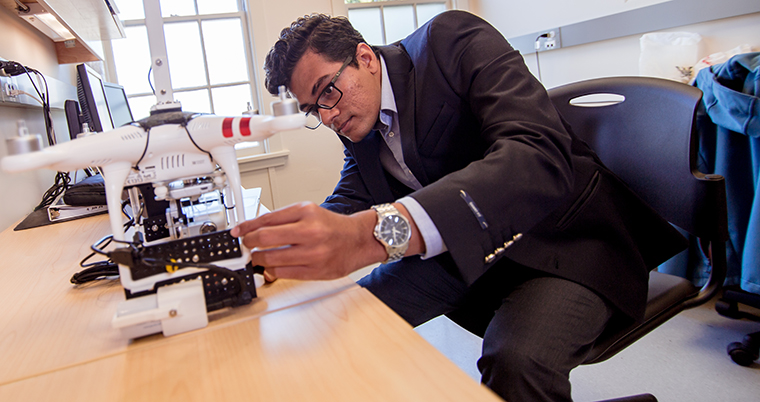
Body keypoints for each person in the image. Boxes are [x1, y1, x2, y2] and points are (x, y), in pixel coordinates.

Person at [230, 10, 687, 402]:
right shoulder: (357, 119)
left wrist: (375, 233)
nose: (327, 116)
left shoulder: (450, 41)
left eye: (327, 91)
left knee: (515, 362)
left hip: (566, 243)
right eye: (313, 110)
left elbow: (536, 154)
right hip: (472, 253)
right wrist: (288, 242)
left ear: (365, 57)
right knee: (350, 320)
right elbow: (355, 194)